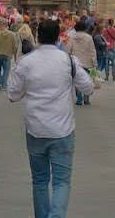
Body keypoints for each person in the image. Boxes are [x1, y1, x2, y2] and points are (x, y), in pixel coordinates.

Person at [6, 18, 94, 218]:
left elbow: (12, 94)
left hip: (36, 130)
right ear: (58, 37)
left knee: (39, 180)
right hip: (63, 130)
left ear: (37, 37)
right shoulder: (69, 61)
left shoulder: (26, 62)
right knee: (61, 182)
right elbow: (87, 87)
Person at [64, 20, 97, 106]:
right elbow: (92, 51)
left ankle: (79, 99)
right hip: (88, 61)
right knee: (87, 81)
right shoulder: (89, 38)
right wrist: (94, 63)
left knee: (77, 81)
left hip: (76, 62)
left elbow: (68, 49)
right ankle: (86, 99)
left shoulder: (71, 37)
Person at [0, 20, 18, 90]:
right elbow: (15, 46)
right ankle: (4, 84)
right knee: (6, 70)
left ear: (1, 26)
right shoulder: (12, 35)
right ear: (7, 26)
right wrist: (12, 52)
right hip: (7, 54)